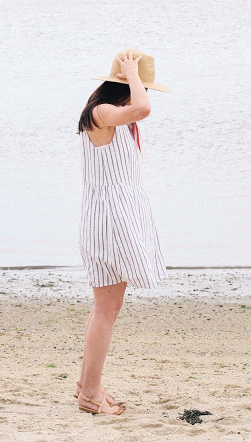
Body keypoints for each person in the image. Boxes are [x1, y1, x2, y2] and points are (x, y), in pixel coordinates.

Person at [75, 49, 171, 415]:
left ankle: (87, 384)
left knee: (105, 309)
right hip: (110, 221)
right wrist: (132, 73)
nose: (142, 94)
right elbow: (143, 108)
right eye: (138, 87)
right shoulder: (102, 113)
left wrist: (133, 80)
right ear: (122, 87)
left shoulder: (115, 119)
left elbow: (139, 111)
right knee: (105, 310)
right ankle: (90, 394)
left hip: (115, 217)